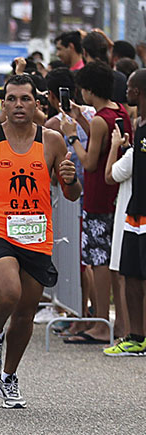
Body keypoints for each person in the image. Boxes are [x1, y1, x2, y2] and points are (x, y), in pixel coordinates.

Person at [0, 74, 81, 409]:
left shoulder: (51, 141)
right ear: (2, 103)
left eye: (25, 99)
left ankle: (8, 377)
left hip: (36, 235)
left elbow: (71, 193)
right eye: (12, 99)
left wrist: (71, 180)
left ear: (36, 103)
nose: (18, 105)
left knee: (24, 313)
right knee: (8, 293)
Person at [61, 61, 128, 345]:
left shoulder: (101, 119)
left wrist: (72, 135)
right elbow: (100, 143)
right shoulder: (117, 111)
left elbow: (88, 162)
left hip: (99, 196)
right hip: (117, 197)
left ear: (87, 90)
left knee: (99, 262)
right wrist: (83, 120)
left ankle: (101, 323)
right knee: (115, 264)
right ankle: (123, 324)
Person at [104, 68, 146, 357]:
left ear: (139, 92)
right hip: (134, 213)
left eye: (130, 87)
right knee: (130, 275)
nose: (126, 91)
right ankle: (136, 337)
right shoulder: (139, 123)